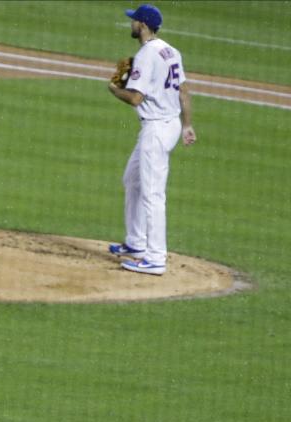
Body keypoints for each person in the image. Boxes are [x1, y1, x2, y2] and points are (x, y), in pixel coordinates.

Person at [108, 4, 196, 276]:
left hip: (156, 129)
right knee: (132, 180)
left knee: (153, 194)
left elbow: (135, 98)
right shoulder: (171, 51)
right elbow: (183, 91)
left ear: (143, 25)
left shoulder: (147, 55)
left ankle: (155, 258)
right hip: (168, 125)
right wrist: (188, 125)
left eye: (134, 20)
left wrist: (113, 89)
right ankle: (136, 244)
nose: (131, 23)